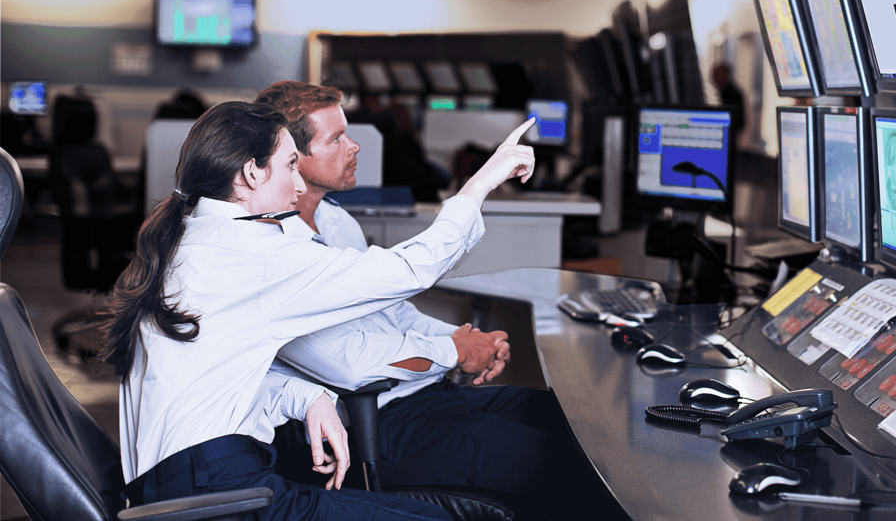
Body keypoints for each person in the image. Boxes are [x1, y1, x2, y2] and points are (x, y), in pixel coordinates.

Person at [102, 100, 536, 520]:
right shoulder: (254, 254)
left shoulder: (196, 236)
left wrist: (305, 397)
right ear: (252, 172)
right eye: (290, 165)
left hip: (196, 479)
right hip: (211, 491)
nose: (297, 184)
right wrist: (481, 182)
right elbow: (409, 270)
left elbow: (209, 383)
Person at [254, 81, 579, 504]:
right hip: (380, 419)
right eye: (336, 138)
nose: (354, 147)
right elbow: (349, 363)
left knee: (568, 423)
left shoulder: (336, 222)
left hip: (424, 393)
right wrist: (455, 351)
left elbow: (391, 311)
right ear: (293, 159)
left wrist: (465, 340)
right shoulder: (276, 253)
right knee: (557, 465)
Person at [711, 63, 745, 143]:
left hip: (727, 137)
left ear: (725, 75)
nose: (713, 76)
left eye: (717, 73)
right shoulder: (717, 92)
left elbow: (740, 121)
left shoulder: (733, 94)